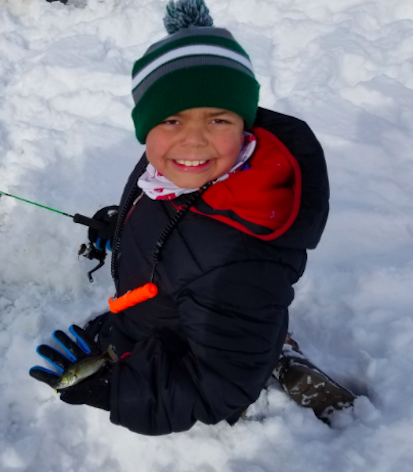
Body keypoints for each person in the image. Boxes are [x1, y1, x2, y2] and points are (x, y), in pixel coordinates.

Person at [30, 0, 355, 435]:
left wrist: (116, 390)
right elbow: (173, 223)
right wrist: (125, 228)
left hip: (193, 346)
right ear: (146, 126)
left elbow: (216, 388)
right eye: (171, 119)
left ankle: (269, 370)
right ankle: (261, 349)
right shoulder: (173, 173)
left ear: (244, 123)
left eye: (218, 119)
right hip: (164, 310)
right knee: (230, 335)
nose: (194, 141)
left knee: (235, 368)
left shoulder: (237, 263)